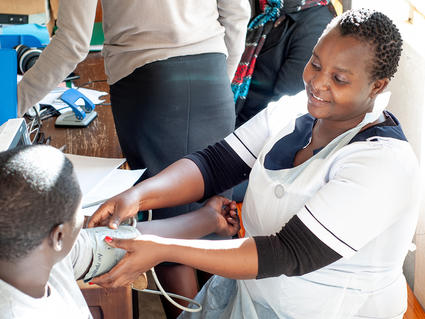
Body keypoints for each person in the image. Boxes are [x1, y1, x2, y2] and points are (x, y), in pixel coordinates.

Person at [88, 8, 421, 319]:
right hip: (255, 300)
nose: (318, 83)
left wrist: (163, 249)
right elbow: (215, 164)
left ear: (377, 86)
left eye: (340, 79)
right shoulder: (292, 112)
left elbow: (286, 253)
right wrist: (137, 196)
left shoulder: (382, 164)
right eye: (316, 64)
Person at [17, 1, 250, 316]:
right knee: (215, 230)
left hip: (150, 87)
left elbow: (72, 43)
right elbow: (237, 13)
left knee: (173, 245)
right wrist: (219, 75)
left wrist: (14, 104)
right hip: (212, 77)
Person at [0, 145, 240, 318]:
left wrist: (207, 219)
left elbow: (126, 242)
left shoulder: (37, 258)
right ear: (59, 236)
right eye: (78, 209)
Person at [232, 0, 334, 128]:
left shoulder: (315, 27)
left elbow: (281, 113)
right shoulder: (263, 8)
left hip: (251, 130)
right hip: (228, 114)